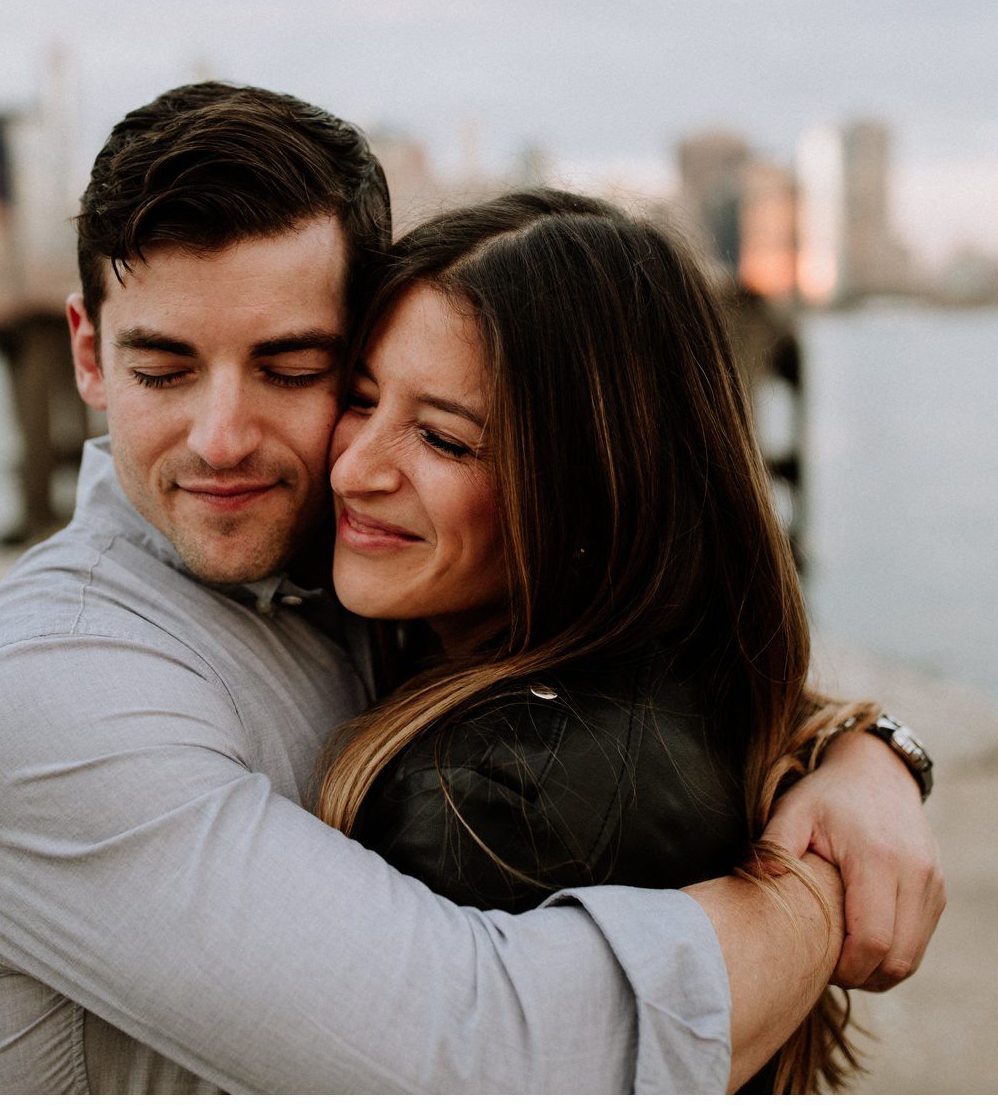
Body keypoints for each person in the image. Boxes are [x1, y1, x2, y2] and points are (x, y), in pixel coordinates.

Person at [0, 82, 944, 1093]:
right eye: (162, 369)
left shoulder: (344, 560)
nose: (221, 441)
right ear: (87, 355)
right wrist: (811, 889)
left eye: (294, 368)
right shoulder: (41, 692)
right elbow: (510, 1063)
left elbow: (637, 637)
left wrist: (865, 752)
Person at [319, 191, 925, 1091]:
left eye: (444, 440)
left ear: (589, 481)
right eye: (358, 400)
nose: (351, 468)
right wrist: (878, 749)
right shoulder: (705, 668)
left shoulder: (480, 806)